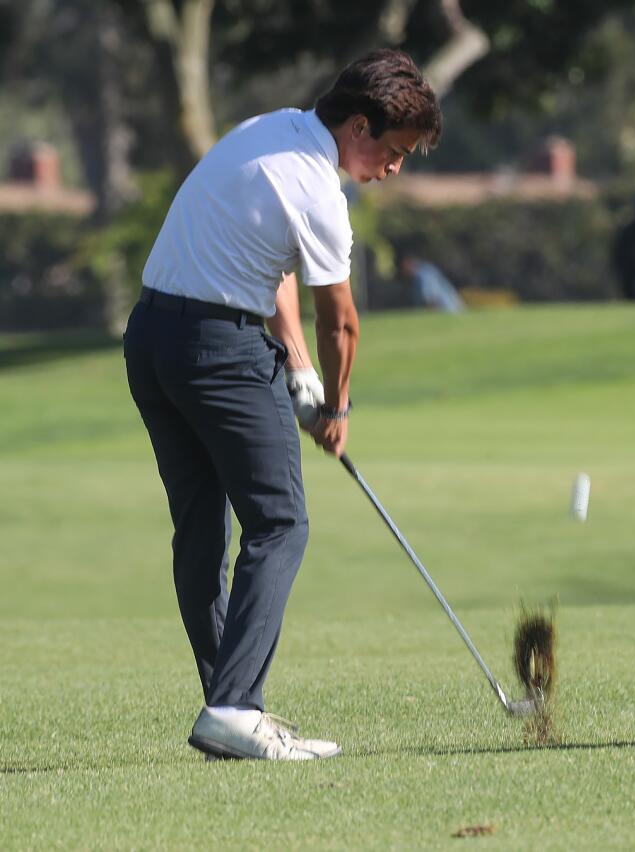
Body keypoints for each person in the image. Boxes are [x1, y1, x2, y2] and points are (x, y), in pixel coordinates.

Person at [122, 49, 441, 761]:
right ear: (358, 126)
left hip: (151, 339)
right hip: (218, 351)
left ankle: (224, 708)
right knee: (280, 522)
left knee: (203, 531)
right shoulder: (319, 190)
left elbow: (270, 267)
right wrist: (339, 407)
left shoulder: (265, 132)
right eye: (391, 152)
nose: (393, 169)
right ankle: (235, 707)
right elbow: (344, 322)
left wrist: (298, 369)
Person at [401, 254, 465, 313]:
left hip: (448, 310)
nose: (403, 270)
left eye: (404, 266)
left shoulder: (424, 274)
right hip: (454, 309)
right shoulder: (427, 270)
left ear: (410, 264)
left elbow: (432, 299)